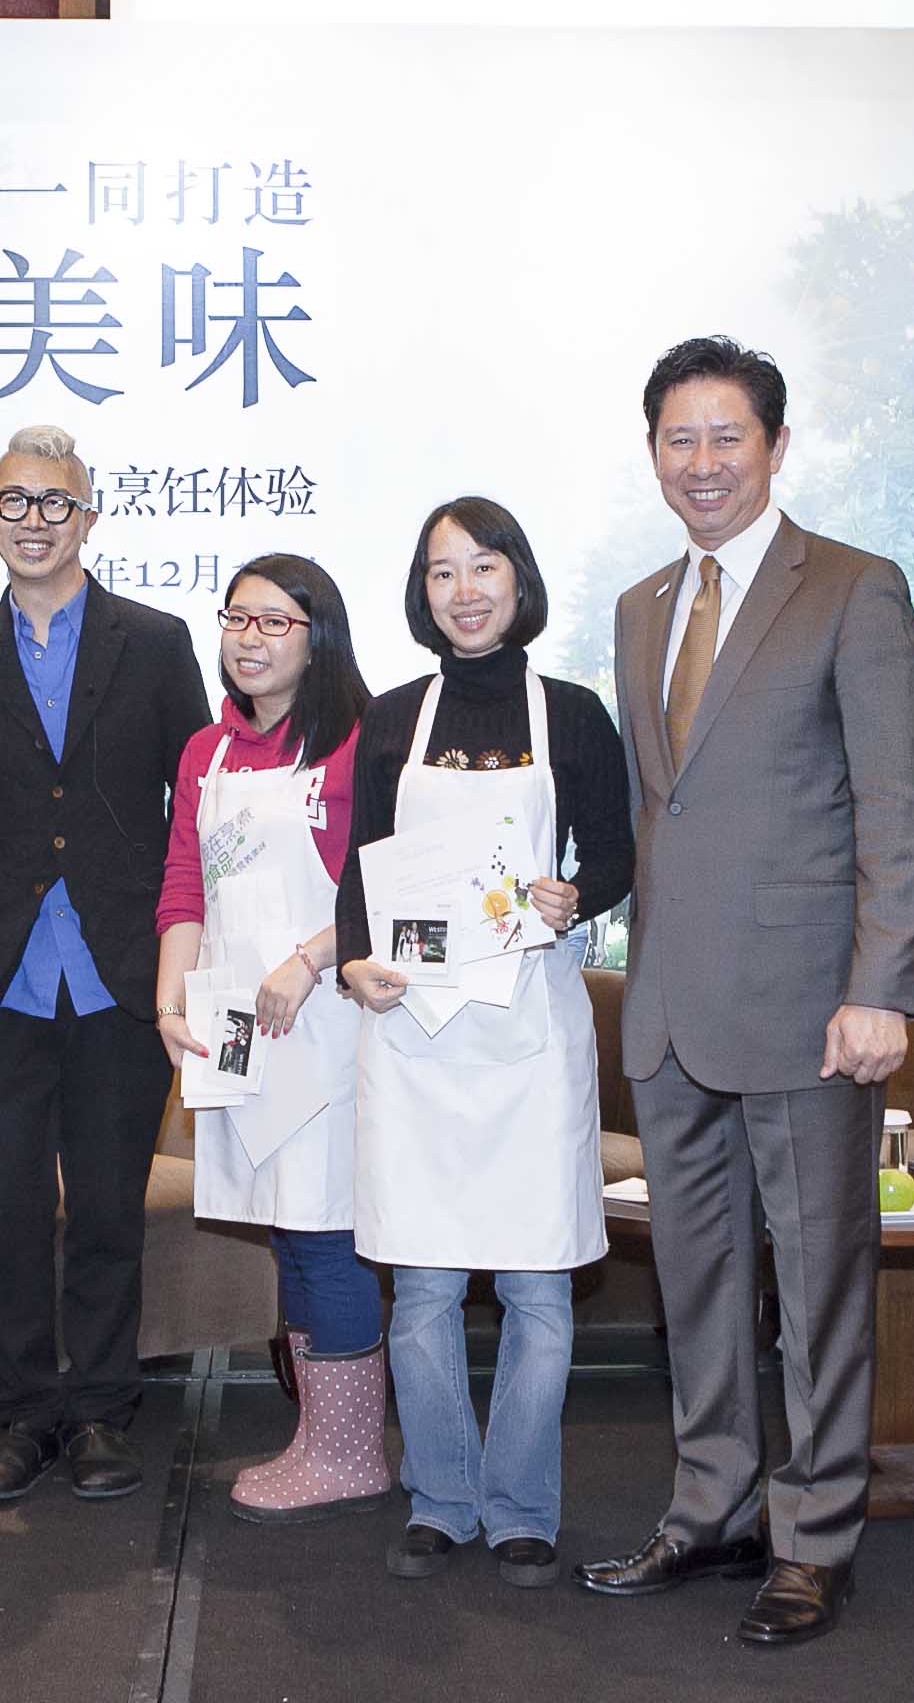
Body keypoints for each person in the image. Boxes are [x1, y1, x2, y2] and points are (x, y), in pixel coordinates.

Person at [580, 336, 914, 1648]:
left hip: (809, 1009)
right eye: (679, 438)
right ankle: (713, 1507)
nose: (703, 462)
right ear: (653, 453)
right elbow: (656, 810)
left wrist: (881, 982)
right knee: (699, 1281)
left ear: (776, 447)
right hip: (671, 1008)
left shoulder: (853, 588)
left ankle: (815, 1536)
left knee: (822, 1281)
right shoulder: (640, 606)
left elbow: (897, 802)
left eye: (727, 435)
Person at [336, 496, 634, 1588]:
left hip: (530, 1031)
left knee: (536, 1293)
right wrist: (352, 960)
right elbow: (359, 865)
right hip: (413, 1029)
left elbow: (617, 852)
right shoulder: (389, 719)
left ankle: (519, 1506)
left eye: (483, 566)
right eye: (441, 571)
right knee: (421, 1292)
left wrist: (574, 892)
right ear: (423, 593)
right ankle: (442, 1497)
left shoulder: (574, 713)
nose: (463, 590)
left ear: (519, 578)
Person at [0, 424, 211, 1503]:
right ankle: (21, 1414)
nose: (34, 520)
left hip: (120, 975)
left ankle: (100, 1413)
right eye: (14, 501)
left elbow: (198, 806)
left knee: (105, 1212)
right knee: (2, 1211)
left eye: (55, 502)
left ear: (88, 517)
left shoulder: (157, 642)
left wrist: (184, 952)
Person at [151, 554, 386, 1523]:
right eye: (237, 618)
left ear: (318, 637)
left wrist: (309, 960)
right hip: (236, 1025)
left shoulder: (360, 742)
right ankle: (320, 1440)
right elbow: (184, 883)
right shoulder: (205, 751)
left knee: (326, 1235)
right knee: (288, 1233)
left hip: (328, 1019)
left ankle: (351, 1452)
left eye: (276, 621)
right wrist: (169, 1000)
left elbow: (384, 882)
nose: (250, 638)